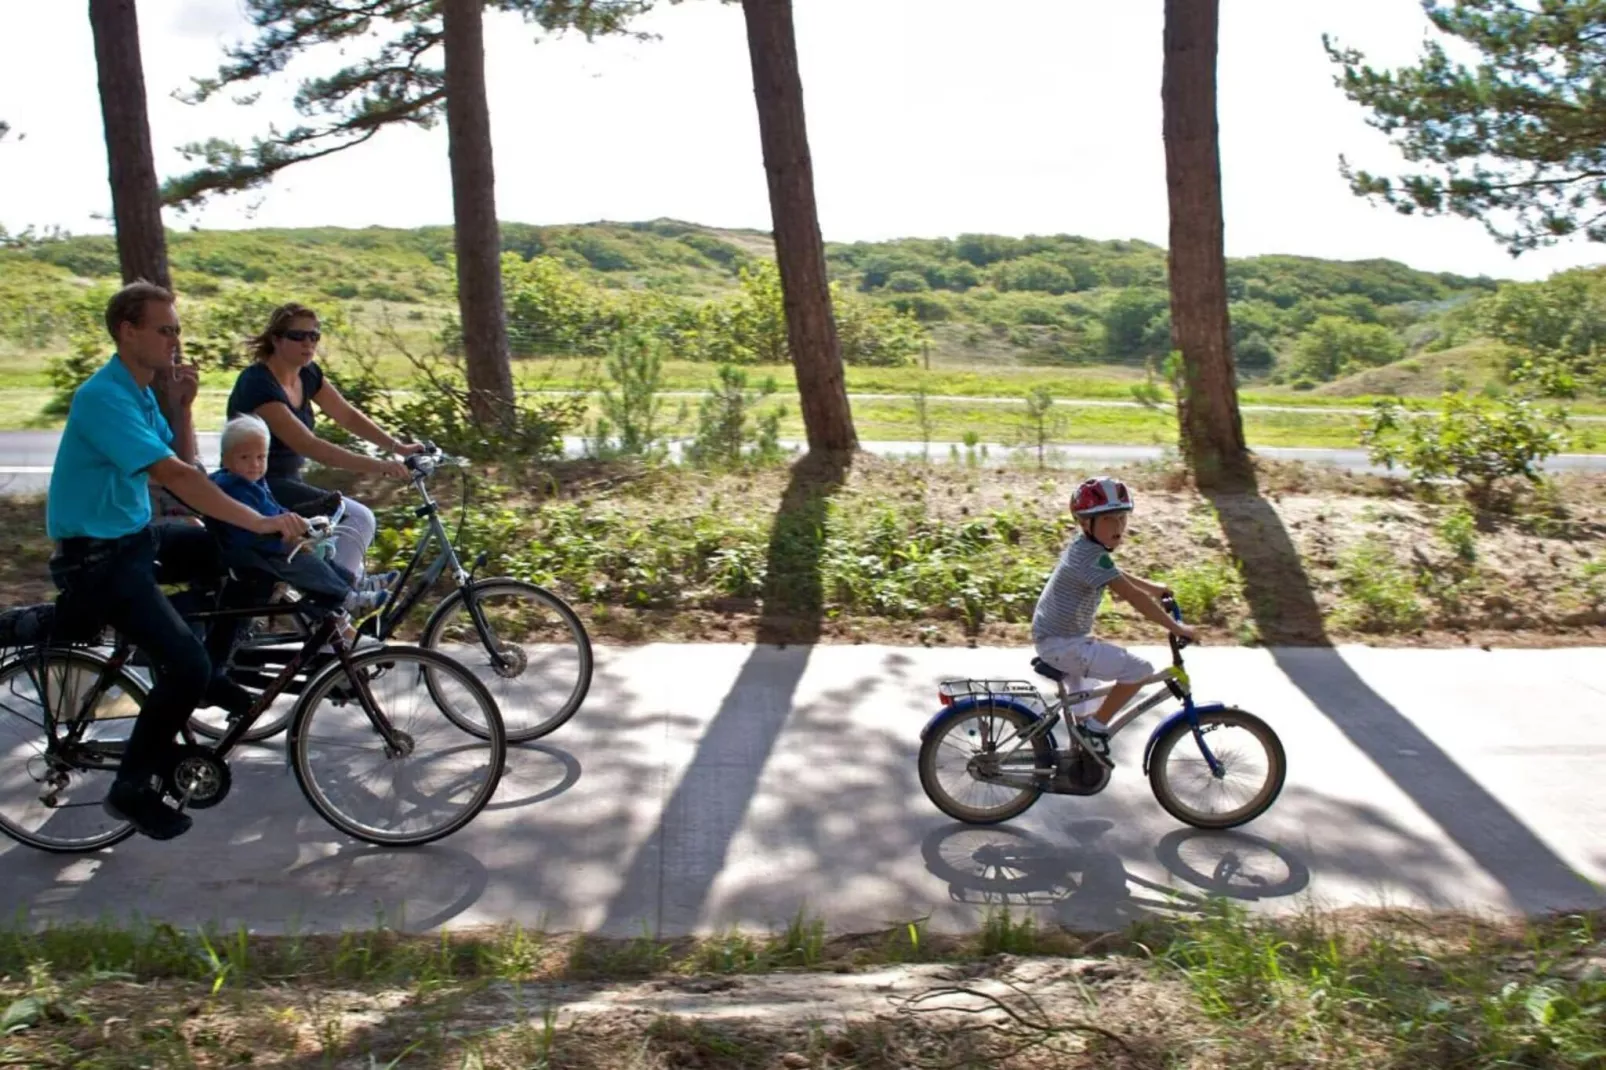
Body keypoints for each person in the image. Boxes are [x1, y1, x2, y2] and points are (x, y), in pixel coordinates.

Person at [47, 280, 308, 842]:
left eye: (177, 328)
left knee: (236, 554)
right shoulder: (104, 397)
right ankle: (132, 787)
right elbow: (174, 477)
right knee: (184, 664)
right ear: (128, 331)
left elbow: (183, 460)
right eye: (164, 329)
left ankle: (208, 666)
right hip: (98, 560)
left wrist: (184, 408)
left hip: (133, 538)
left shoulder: (138, 391)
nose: (175, 339)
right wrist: (258, 517)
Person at [226, 302, 419, 589]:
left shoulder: (307, 373)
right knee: (357, 518)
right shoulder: (257, 383)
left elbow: (347, 415)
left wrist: (397, 447)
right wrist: (381, 467)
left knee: (336, 532)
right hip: (256, 484)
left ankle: (333, 605)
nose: (308, 343)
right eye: (298, 336)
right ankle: (342, 598)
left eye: (314, 336)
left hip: (289, 481)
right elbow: (308, 445)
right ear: (276, 340)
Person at [1030, 475, 1199, 755]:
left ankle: (1082, 754)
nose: (1118, 526)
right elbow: (1132, 596)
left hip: (1062, 639)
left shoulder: (1087, 549)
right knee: (1139, 670)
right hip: (1063, 644)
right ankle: (1094, 730)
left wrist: (1154, 588)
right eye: (1108, 519)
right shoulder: (1090, 555)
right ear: (1086, 522)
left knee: (1088, 707)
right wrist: (1176, 627)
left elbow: (1115, 574)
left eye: (1122, 518)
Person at [210, 414, 388, 643]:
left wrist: (301, 521)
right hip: (256, 553)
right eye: (245, 457)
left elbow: (274, 509)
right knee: (306, 563)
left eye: (261, 457)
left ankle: (356, 584)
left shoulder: (252, 482)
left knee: (321, 554)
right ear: (225, 459)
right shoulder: (233, 488)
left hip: (268, 543)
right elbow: (247, 532)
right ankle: (348, 598)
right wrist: (285, 539)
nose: (254, 464)